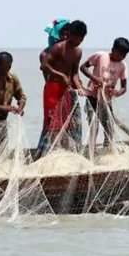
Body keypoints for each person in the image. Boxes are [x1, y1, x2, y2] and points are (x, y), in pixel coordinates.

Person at [37, 20, 87, 156]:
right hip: (53, 88)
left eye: (81, 38)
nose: (78, 40)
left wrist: (80, 88)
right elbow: (44, 65)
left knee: (67, 123)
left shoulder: (78, 52)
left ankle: (64, 153)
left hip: (67, 90)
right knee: (51, 122)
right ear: (69, 34)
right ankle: (46, 155)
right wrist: (61, 76)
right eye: (76, 36)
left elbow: (75, 74)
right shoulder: (59, 47)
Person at [80, 37, 129, 145]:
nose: (122, 57)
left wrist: (117, 93)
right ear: (113, 49)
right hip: (92, 97)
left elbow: (124, 87)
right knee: (94, 126)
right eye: (120, 54)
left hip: (106, 100)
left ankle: (108, 150)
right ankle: (91, 151)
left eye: (124, 55)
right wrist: (94, 78)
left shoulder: (123, 66)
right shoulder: (101, 56)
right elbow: (83, 67)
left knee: (109, 127)